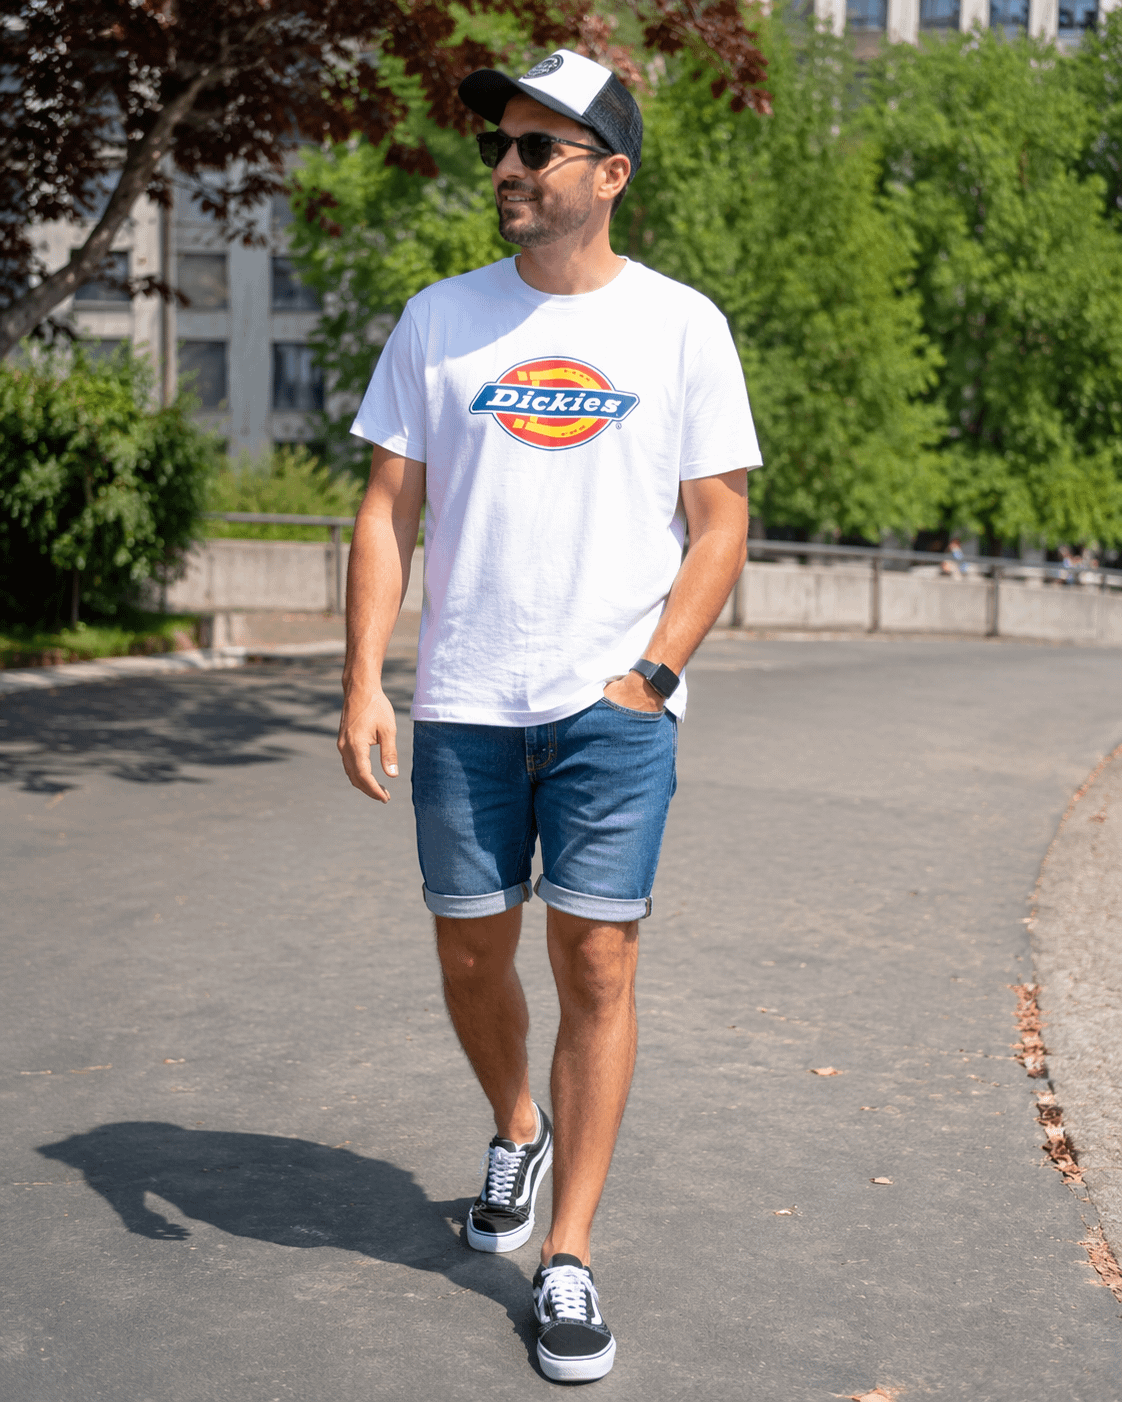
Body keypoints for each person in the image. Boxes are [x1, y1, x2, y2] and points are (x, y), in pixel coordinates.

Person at [337, 48, 761, 1383]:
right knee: (473, 957)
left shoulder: (680, 327)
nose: (507, 169)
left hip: (611, 712)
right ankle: (515, 1125)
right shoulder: (438, 319)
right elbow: (385, 510)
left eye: (537, 148)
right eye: (498, 147)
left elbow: (720, 521)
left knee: (597, 964)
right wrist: (362, 679)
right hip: (465, 702)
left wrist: (652, 676)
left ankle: (567, 1253)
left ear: (611, 174)